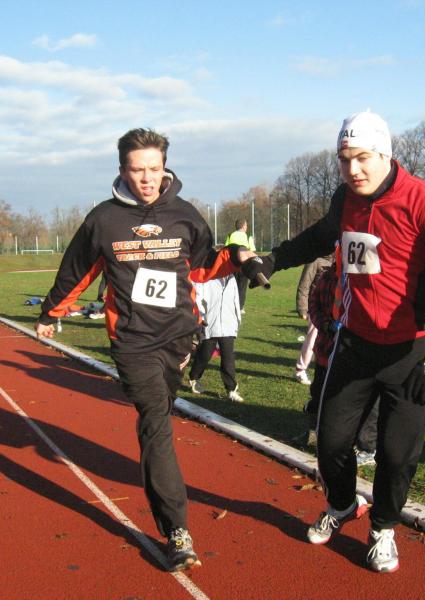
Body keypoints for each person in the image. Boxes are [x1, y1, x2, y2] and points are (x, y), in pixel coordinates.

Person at [246, 110, 425, 573]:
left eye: (362, 158)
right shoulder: (346, 199)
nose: (352, 169)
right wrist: (274, 259)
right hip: (355, 343)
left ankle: (383, 528)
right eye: (343, 159)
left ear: (385, 155)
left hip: (413, 349)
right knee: (330, 440)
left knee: (396, 453)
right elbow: (320, 236)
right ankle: (342, 504)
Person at [35, 128, 256, 572]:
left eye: (154, 169)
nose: (147, 178)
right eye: (138, 170)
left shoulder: (184, 214)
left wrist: (238, 258)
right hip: (132, 340)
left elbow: (202, 265)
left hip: (179, 336)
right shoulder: (103, 220)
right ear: (122, 171)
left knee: (161, 410)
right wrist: (50, 312)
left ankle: (163, 491)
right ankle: (177, 530)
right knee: (156, 420)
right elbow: (76, 270)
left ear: (165, 167)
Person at [303, 260, 379, 464]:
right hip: (326, 349)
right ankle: (315, 433)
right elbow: (314, 303)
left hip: (353, 353)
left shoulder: (365, 277)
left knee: (360, 400)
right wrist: (326, 324)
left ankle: (366, 446)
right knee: (318, 393)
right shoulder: (329, 275)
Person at [188, 273, 244, 402]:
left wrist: (237, 321)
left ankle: (231, 389)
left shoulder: (231, 278)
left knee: (228, 356)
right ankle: (194, 378)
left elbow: (236, 300)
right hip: (210, 323)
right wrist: (201, 319)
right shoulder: (207, 278)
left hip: (228, 324)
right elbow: (199, 298)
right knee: (205, 354)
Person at [294, 254, 335, 385]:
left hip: (333, 308)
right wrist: (302, 308)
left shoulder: (337, 260)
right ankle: (300, 370)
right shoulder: (315, 260)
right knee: (312, 339)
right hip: (316, 308)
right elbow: (304, 285)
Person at [224, 219, 255, 313]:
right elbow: (252, 251)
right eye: (246, 225)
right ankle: (240, 307)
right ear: (243, 226)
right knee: (242, 286)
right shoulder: (248, 236)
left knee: (231, 285)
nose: (247, 227)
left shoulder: (230, 235)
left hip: (231, 264)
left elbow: (226, 249)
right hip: (244, 265)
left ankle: (230, 305)